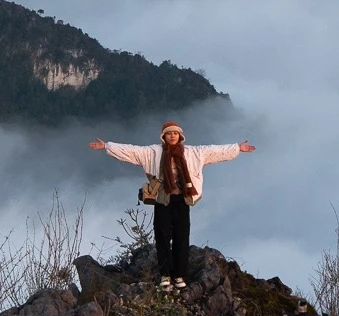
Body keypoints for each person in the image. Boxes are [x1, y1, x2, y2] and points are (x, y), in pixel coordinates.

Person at [90, 122, 255, 291]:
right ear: (164, 136)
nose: (173, 136)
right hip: (163, 200)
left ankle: (179, 275)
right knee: (162, 238)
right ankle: (165, 275)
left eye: (176, 133)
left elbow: (214, 150)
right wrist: (107, 146)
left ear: (180, 136)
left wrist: (237, 148)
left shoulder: (191, 153)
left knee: (181, 237)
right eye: (169, 133)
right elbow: (132, 151)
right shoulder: (154, 152)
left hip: (183, 200)